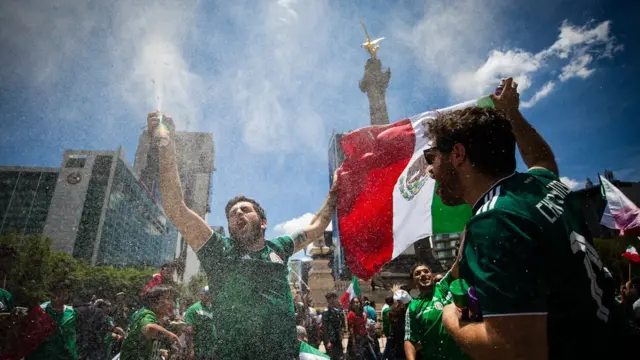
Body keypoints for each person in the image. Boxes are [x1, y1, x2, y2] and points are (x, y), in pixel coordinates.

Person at [425, 78, 617, 359]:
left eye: (432, 156)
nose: (431, 169)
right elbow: (541, 158)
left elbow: (516, 350)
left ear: (457, 154)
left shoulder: (495, 220)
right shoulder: (542, 184)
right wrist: (511, 114)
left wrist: (449, 318)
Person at [148, 111, 338, 359]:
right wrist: (166, 143)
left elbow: (315, 227)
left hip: (289, 353)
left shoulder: (278, 248)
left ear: (263, 222)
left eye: (245, 210)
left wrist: (334, 194)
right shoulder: (217, 250)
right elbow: (175, 206)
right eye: (232, 213)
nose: (238, 213)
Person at [403, 264, 466, 360]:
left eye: (426, 271)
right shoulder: (413, 307)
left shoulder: (443, 288)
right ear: (413, 281)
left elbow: (457, 265)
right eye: (417, 273)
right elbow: (410, 339)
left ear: (432, 275)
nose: (423, 274)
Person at [120, 284, 181, 360]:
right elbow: (148, 328)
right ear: (155, 302)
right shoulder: (146, 313)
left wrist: (159, 351)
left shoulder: (155, 318)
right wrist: (170, 335)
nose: (172, 303)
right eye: (168, 299)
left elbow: (140, 344)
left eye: (172, 299)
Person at [27, 282, 79, 360]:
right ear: (51, 294)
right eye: (57, 294)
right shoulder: (40, 311)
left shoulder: (72, 312)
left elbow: (75, 334)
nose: (59, 298)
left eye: (64, 294)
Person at [184, 286, 216, 360]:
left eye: (210, 294)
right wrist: (191, 350)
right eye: (206, 294)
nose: (209, 296)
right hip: (199, 349)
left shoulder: (211, 308)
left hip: (211, 348)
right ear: (201, 295)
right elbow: (189, 331)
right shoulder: (193, 309)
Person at [322, 292, 345, 360]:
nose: (333, 300)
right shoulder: (326, 312)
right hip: (330, 339)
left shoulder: (336, 311)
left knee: (340, 356)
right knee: (332, 357)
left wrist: (341, 334)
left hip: (337, 338)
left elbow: (339, 326)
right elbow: (325, 328)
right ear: (328, 300)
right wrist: (327, 341)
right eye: (331, 299)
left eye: (334, 298)